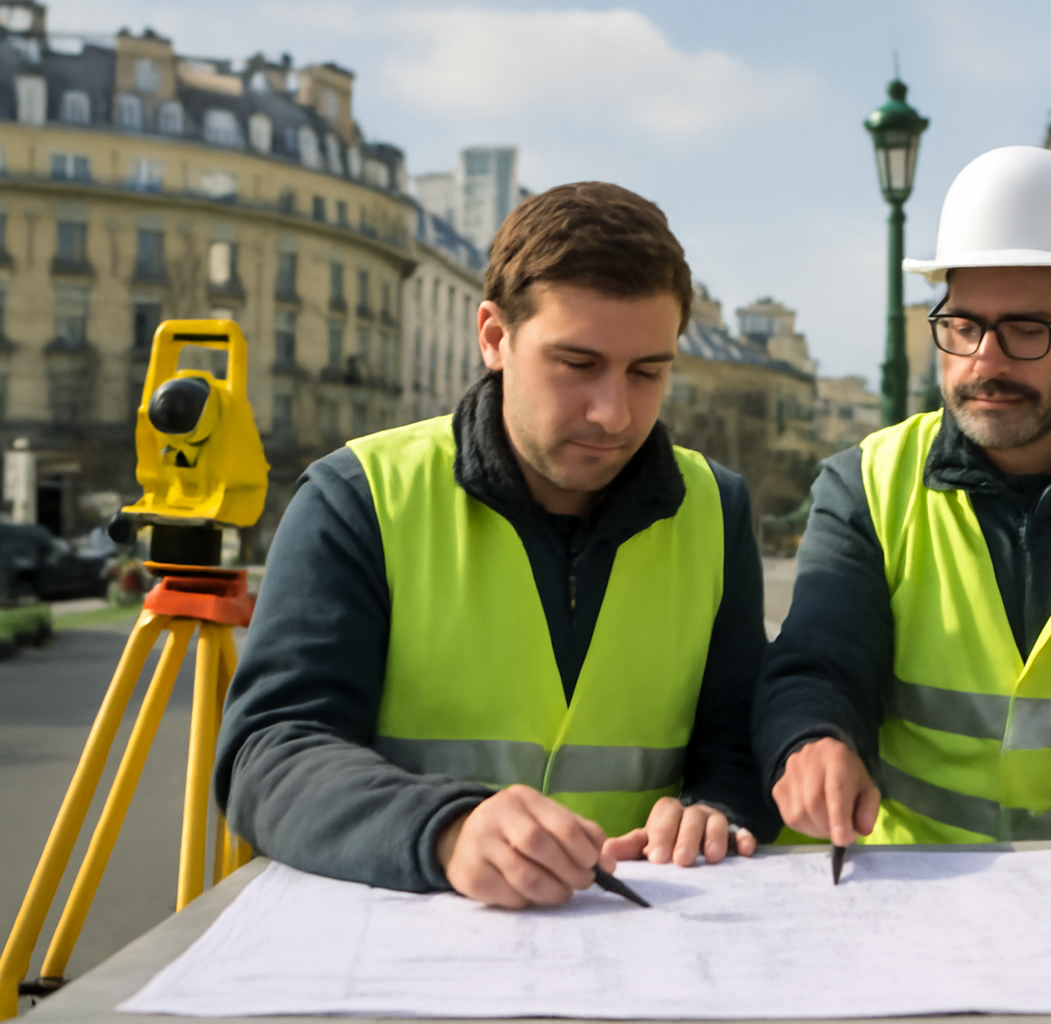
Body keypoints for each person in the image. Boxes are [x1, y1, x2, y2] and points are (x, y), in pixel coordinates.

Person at [216, 182, 778, 910]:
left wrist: (718, 811)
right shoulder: (356, 497)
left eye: (648, 372)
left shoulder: (718, 507)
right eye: (576, 363)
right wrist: (448, 830)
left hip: (645, 950)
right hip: (408, 948)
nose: (612, 413)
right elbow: (270, 754)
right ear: (492, 336)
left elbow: (737, 745)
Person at [754, 147, 1051, 856]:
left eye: (1027, 329)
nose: (985, 361)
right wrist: (813, 736)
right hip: (928, 902)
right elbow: (820, 654)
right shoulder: (867, 483)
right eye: (963, 326)